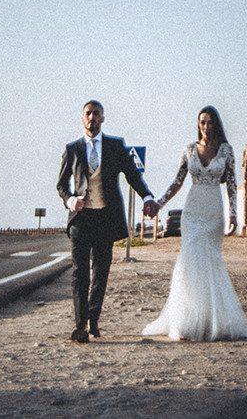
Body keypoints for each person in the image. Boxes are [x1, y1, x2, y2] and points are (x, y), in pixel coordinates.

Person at [142, 105, 247, 341]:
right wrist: (158, 203)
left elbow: (231, 184)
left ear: (216, 125)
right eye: (202, 122)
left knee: (210, 263)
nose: (206, 127)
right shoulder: (189, 149)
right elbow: (178, 181)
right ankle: (184, 322)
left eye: (210, 122)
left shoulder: (226, 151)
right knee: (188, 262)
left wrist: (234, 215)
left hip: (213, 210)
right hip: (192, 211)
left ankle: (208, 322)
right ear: (198, 124)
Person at [54, 99, 156, 343]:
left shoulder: (115, 146)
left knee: (101, 271)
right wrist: (70, 201)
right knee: (80, 273)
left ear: (102, 118)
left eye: (96, 114)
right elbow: (61, 184)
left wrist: (148, 197)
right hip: (81, 218)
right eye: (88, 114)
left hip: (105, 219)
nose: (92, 118)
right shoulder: (73, 149)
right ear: (82, 119)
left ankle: (93, 318)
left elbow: (133, 175)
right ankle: (80, 326)